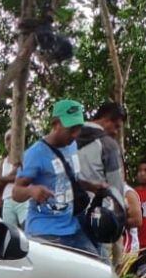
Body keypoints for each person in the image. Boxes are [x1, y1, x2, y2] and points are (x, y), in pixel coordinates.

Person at [11, 99, 106, 255]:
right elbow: (16, 192)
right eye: (71, 129)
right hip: (45, 232)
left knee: (99, 264)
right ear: (55, 124)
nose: (75, 134)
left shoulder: (72, 146)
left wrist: (92, 186)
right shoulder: (35, 154)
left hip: (72, 227)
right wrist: (31, 191)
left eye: (78, 128)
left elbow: (69, 179)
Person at [75, 102, 142, 260]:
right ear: (106, 120)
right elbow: (116, 188)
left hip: (67, 215)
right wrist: (119, 217)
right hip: (98, 216)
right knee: (100, 265)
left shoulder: (69, 138)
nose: (116, 132)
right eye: (116, 126)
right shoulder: (108, 144)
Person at [0, 131, 28, 230]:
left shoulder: (24, 157)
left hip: (22, 199)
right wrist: (1, 180)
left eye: (11, 138)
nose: (9, 141)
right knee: (10, 232)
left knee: (27, 228)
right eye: (7, 139)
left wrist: (3, 180)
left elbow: (22, 177)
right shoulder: (3, 162)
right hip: (7, 200)